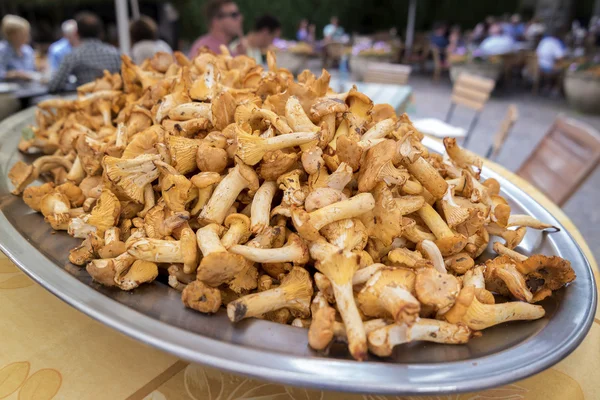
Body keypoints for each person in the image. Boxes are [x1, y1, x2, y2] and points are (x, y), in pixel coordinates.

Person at [48, 12, 121, 93]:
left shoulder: (74, 55)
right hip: (116, 101)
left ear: (77, 33)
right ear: (101, 33)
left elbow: (54, 86)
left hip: (87, 101)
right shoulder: (116, 53)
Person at [0, 15, 36, 80]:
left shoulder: (28, 50)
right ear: (11, 35)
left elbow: (32, 72)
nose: (27, 37)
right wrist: (15, 74)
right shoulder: (2, 50)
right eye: (22, 34)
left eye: (27, 33)